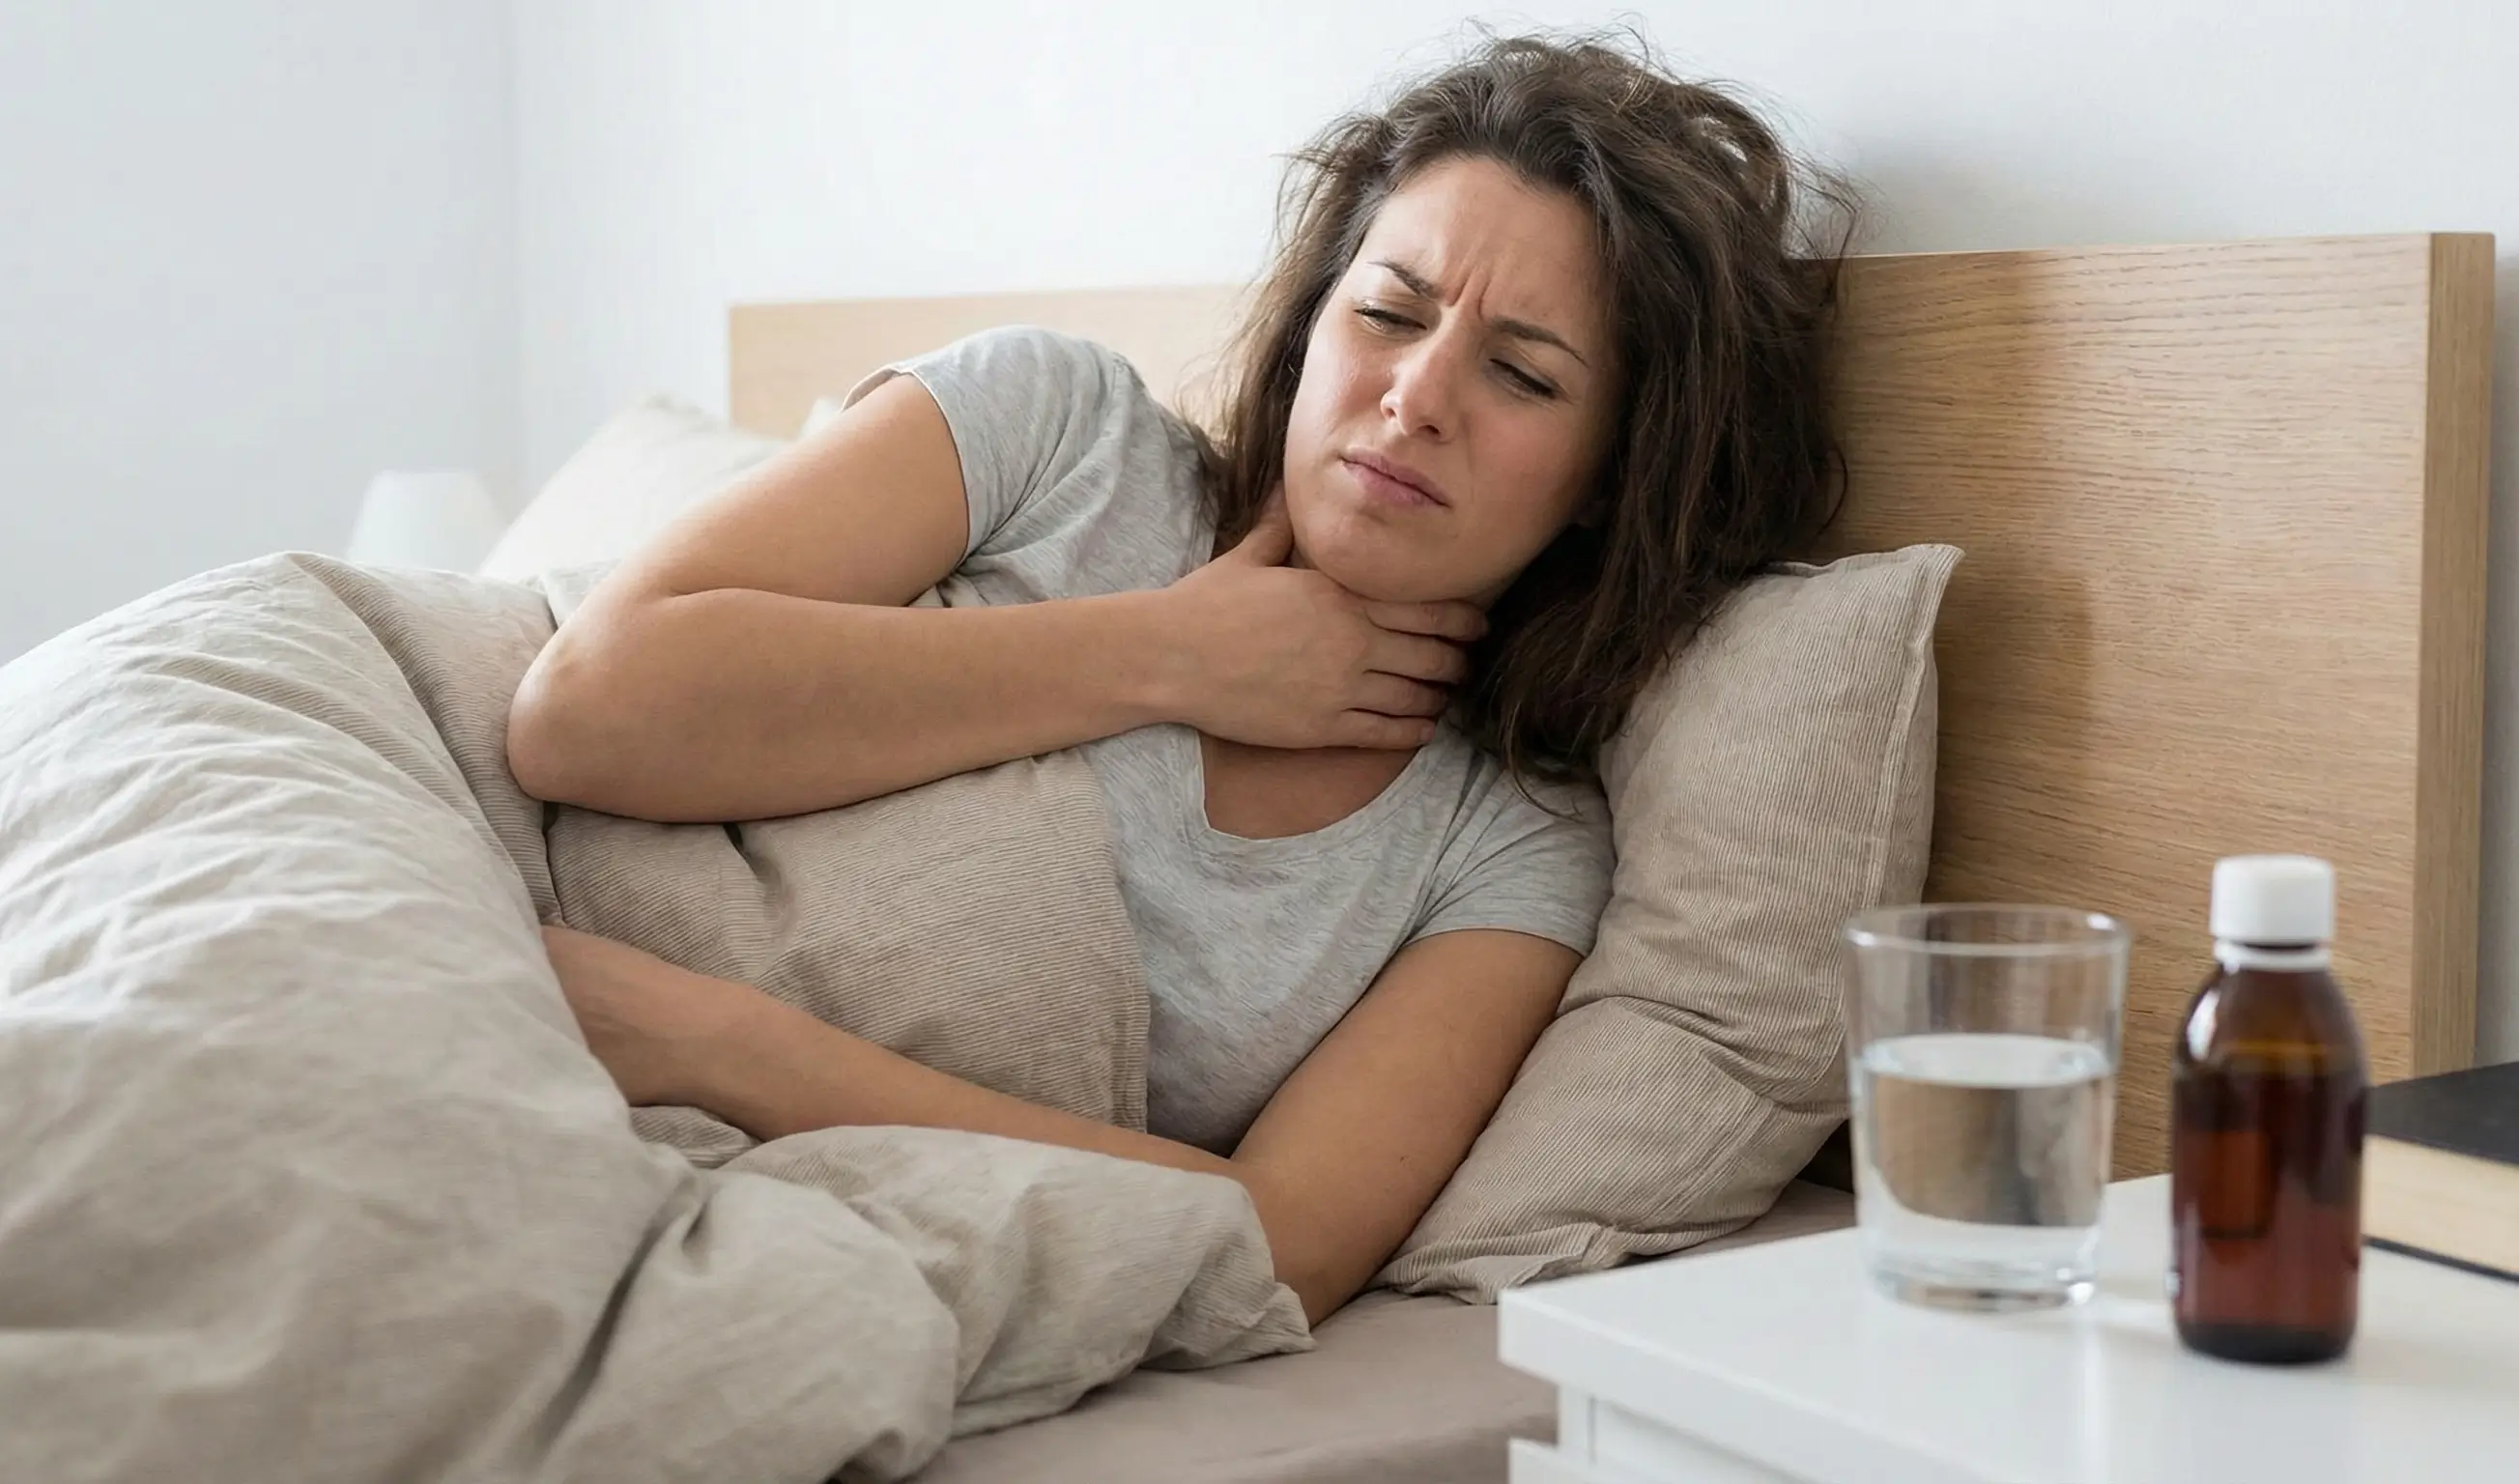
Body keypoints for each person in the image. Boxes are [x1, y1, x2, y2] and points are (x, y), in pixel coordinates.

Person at [505, 32, 1850, 1325]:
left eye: (1519, 374)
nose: (1414, 394)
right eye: (1386, 311)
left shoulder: (1503, 852)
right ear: (1309, 326)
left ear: (1609, 477)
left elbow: (1282, 1242)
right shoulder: (1056, 436)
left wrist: (715, 1048)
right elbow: (581, 714)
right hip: (475, 900)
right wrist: (1170, 654)